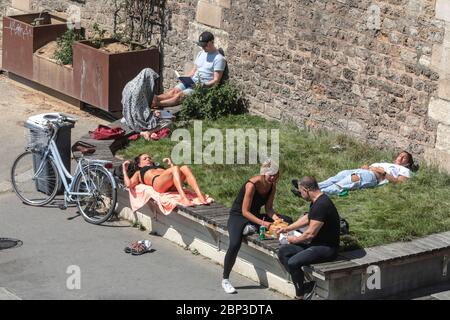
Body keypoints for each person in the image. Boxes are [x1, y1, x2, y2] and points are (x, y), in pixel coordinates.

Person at [221, 160, 293, 294]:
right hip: (239, 216)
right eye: (270, 175)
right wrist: (264, 223)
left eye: (275, 175)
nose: (273, 178)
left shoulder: (272, 186)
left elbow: (269, 208)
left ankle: (250, 228)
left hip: (255, 216)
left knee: (288, 220)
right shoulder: (252, 185)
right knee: (235, 243)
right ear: (263, 173)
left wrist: (276, 219)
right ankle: (225, 279)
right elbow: (245, 211)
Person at [278, 176, 340, 300]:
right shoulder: (316, 201)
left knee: (293, 262)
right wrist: (288, 228)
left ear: (306, 189)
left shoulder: (322, 204)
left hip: (327, 248)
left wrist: (292, 240)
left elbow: (309, 234)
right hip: (316, 244)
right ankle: (306, 284)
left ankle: (300, 295)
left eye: (300, 191)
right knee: (283, 252)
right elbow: (307, 218)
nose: (300, 194)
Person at [152, 31, 226, 108]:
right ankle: (155, 99)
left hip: (202, 87)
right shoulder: (201, 53)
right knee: (175, 91)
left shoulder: (219, 59)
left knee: (179, 95)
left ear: (211, 42)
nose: (203, 48)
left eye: (205, 45)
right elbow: (193, 71)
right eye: (202, 46)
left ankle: (157, 104)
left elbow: (216, 80)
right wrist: (185, 78)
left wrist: (204, 85)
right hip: (192, 82)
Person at [122, 154, 208, 206]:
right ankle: (183, 197)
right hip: (158, 185)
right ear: (139, 164)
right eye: (145, 158)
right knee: (175, 168)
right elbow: (129, 185)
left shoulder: (158, 167)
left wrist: (170, 164)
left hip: (170, 185)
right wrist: (124, 170)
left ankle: (200, 196)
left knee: (185, 168)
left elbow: (174, 174)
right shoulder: (139, 172)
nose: (148, 159)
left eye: (149, 158)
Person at [318, 151, 415, 195]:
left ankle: (318, 194)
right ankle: (310, 187)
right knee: (338, 176)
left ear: (408, 163)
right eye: (400, 155)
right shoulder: (387, 163)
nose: (400, 158)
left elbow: (400, 183)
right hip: (365, 171)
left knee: (348, 181)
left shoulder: (405, 170)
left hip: (373, 176)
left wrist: (384, 173)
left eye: (404, 157)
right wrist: (366, 167)